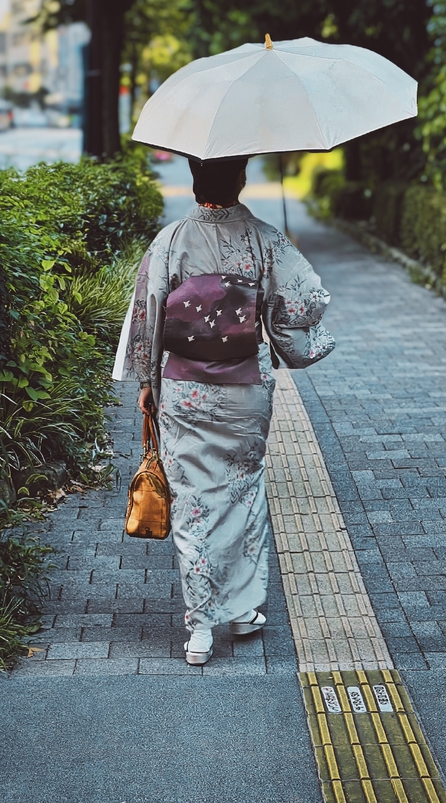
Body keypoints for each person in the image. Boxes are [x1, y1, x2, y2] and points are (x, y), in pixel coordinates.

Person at [113, 156, 335, 665]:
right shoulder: (263, 237)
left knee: (192, 502)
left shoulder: (169, 241)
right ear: (241, 178)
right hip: (244, 389)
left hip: (184, 389)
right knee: (243, 494)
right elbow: (304, 301)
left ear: (194, 180)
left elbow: (147, 317)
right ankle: (239, 610)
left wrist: (146, 384)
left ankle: (200, 629)